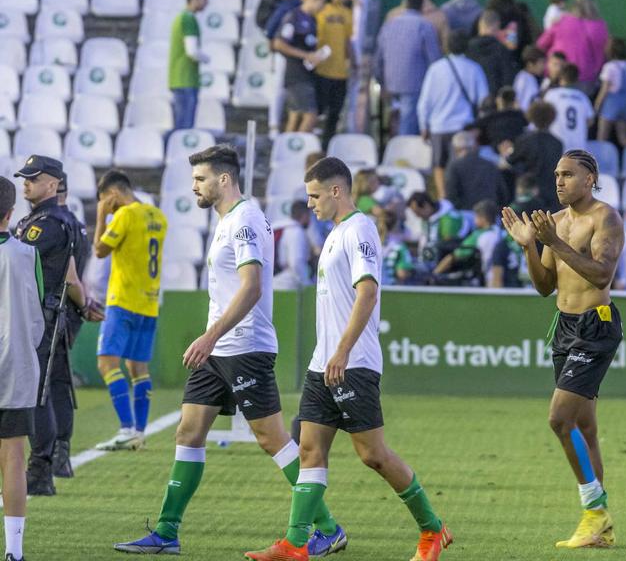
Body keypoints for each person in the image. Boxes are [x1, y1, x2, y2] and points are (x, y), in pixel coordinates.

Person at [114, 146, 343, 556]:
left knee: (271, 438)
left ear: (223, 179)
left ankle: (328, 526)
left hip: (244, 347)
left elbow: (252, 286)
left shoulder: (246, 221)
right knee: (188, 431)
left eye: (200, 179)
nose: (194, 187)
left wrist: (209, 336)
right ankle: (167, 532)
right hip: (218, 349)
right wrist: (212, 339)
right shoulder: (226, 222)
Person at [245, 157, 452, 561]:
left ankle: (433, 530)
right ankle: (295, 543)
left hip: (352, 364)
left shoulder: (360, 230)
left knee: (373, 455)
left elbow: (368, 293)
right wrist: (327, 355)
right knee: (309, 450)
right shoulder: (336, 233)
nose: (310, 204)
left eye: (315, 196)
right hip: (323, 365)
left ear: (336, 191)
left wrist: (341, 351)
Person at [501, 150, 624, 549]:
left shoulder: (605, 217)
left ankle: (594, 510)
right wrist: (529, 247)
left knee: (558, 419)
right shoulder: (553, 222)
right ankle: (600, 529)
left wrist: (553, 241)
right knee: (584, 428)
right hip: (564, 326)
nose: (559, 181)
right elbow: (544, 286)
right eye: (556, 174)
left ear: (590, 179)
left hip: (595, 325)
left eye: (568, 174)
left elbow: (602, 273)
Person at [13, 156, 100, 497]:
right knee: (56, 385)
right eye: (24, 178)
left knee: (37, 392)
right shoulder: (71, 222)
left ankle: (41, 468)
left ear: (52, 184)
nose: (26, 184)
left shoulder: (44, 223)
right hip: (60, 313)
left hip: (40, 315)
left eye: (33, 179)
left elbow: (24, 265)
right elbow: (75, 276)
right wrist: (85, 303)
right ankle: (57, 458)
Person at [91, 171, 168, 452]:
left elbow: (99, 250)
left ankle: (126, 428)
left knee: (106, 363)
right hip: (149, 303)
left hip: (123, 301)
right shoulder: (158, 216)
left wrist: (101, 216)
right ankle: (139, 431)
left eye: (105, 201)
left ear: (112, 195)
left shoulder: (124, 215)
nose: (106, 206)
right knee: (138, 368)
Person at [0, 176, 45, 561]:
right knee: (13, 457)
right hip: (15, 366)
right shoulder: (27, 254)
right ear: (10, 213)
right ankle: (14, 552)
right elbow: (36, 317)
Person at [51, 176, 91, 479]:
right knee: (58, 384)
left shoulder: (55, 223)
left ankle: (54, 454)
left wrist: (84, 302)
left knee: (50, 385)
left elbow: (70, 277)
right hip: (72, 311)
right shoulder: (77, 225)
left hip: (56, 310)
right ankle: (59, 453)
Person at [418, 30, 489, 200]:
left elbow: (424, 102)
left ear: (446, 46)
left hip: (439, 126)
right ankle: (463, 199)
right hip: (464, 127)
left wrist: (423, 126)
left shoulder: (435, 69)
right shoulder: (475, 68)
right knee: (463, 166)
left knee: (439, 165)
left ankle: (444, 200)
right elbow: (484, 101)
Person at [259, 0, 313, 137]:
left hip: (293, 35)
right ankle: (273, 125)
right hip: (282, 32)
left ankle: (284, 123)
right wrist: (272, 33)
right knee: (279, 83)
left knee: (287, 84)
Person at [373, 0, 442, 136]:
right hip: (414, 85)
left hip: (390, 84)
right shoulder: (425, 26)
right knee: (407, 126)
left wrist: (381, 82)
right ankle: (402, 155)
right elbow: (434, 60)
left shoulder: (389, 24)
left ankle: (391, 150)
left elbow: (378, 57)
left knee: (392, 121)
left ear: (404, 5)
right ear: (422, 6)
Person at [273, 0, 330, 134]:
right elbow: (278, 43)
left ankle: (286, 150)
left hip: (306, 74)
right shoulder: (294, 17)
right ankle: (299, 150)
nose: (322, 8)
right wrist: (306, 55)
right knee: (311, 116)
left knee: (295, 116)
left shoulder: (312, 20)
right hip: (296, 75)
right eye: (322, 3)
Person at [314, 0, 355, 149]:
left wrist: (354, 61)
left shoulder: (347, 13)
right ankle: (312, 147)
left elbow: (347, 40)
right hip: (321, 70)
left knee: (335, 114)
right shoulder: (321, 10)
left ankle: (326, 148)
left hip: (340, 73)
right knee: (317, 112)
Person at [536, 0, 610, 84]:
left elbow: (541, 43)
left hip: (556, 72)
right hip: (585, 76)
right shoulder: (599, 26)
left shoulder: (562, 20)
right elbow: (601, 55)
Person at [169, 0, 211, 131]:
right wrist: (207, 58)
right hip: (185, 79)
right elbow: (192, 50)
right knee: (184, 127)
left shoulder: (181, 17)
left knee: (182, 125)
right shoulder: (188, 19)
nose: (207, 2)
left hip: (181, 79)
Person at [507, 103, 564, 213]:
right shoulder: (557, 143)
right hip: (551, 196)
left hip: (529, 195)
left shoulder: (524, 140)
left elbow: (511, 161)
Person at [434, 199, 501, 284]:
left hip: (487, 279)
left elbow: (453, 257)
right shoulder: (502, 232)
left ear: (482, 218)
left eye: (475, 216)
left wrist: (435, 273)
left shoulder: (478, 235)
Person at [445, 132, 509, 211]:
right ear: (474, 147)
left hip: (466, 214)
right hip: (491, 213)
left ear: (455, 149)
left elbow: (451, 194)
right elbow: (502, 192)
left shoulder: (454, 167)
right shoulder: (490, 165)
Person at [407, 192, 471, 272]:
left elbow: (447, 247)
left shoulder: (449, 218)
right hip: (428, 261)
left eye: (417, 212)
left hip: (446, 266)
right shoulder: (426, 220)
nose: (417, 216)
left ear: (426, 205)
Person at [594, 38, 626, 149]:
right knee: (623, 137)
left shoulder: (609, 67)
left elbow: (604, 90)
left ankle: (599, 161)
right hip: (625, 103)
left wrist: (597, 105)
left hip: (611, 103)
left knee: (602, 136)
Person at [385, 0, 450, 51]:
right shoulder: (440, 17)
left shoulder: (392, 15)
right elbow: (446, 47)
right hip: (431, 60)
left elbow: (384, 44)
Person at [544, 63, 595, 152]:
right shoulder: (582, 97)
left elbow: (543, 117)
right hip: (578, 145)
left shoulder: (551, 95)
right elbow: (590, 121)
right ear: (577, 79)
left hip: (557, 143)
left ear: (560, 77)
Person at [467, 9, 519, 95]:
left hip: (472, 98)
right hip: (493, 100)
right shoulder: (502, 50)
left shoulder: (468, 49)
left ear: (480, 25)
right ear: (497, 25)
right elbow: (508, 79)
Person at [476, 86, 529, 158]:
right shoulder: (520, 117)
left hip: (495, 157)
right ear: (514, 101)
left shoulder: (490, 118)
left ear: (499, 100)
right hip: (517, 156)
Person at [273, 200, 314, 290]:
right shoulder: (296, 232)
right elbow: (296, 262)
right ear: (305, 215)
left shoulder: (278, 227)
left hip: (269, 279)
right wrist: (306, 284)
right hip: (282, 282)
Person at [378, 212, 415, 286]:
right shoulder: (399, 247)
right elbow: (402, 274)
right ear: (396, 225)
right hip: (390, 290)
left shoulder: (370, 244)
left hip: (371, 290)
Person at [513, 46, 545, 111]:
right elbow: (517, 103)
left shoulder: (532, 78)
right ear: (530, 64)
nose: (543, 66)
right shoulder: (522, 79)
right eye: (541, 63)